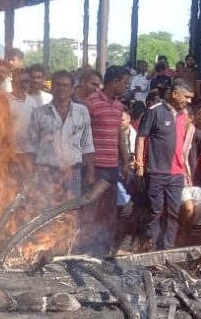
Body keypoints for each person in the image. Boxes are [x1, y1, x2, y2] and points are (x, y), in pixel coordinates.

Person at [135, 78, 193, 250]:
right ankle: (151, 251)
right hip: (156, 172)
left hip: (176, 174)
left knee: (174, 213)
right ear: (175, 94)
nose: (189, 101)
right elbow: (141, 137)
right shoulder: (154, 111)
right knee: (155, 212)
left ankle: (167, 251)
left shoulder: (184, 115)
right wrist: (139, 164)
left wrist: (185, 169)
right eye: (187, 97)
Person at [84, 65, 131, 255]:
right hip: (95, 168)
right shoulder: (90, 103)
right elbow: (84, 137)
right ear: (115, 82)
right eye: (125, 83)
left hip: (112, 168)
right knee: (90, 211)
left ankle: (103, 252)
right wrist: (88, 169)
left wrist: (125, 161)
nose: (126, 87)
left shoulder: (119, 106)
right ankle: (83, 250)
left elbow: (118, 135)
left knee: (109, 213)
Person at [27, 69, 94, 199]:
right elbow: (31, 145)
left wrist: (90, 172)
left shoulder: (82, 112)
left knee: (71, 212)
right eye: (57, 85)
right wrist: (31, 172)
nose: (61, 88)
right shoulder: (39, 113)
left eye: (65, 85)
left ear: (72, 89)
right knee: (45, 212)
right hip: (46, 172)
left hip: (73, 172)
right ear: (51, 87)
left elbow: (87, 144)